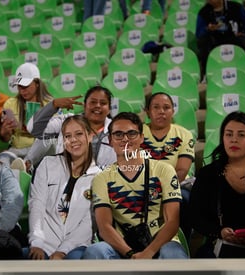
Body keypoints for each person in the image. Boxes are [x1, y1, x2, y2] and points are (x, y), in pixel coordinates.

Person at [82, 112, 187, 259]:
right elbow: (104, 227)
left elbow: (173, 222)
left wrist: (148, 253)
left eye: (131, 133)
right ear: (110, 140)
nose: (125, 139)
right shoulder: (102, 178)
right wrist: (130, 254)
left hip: (161, 243)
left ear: (142, 138)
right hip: (123, 248)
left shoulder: (164, 170)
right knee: (95, 251)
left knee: (172, 252)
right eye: (118, 134)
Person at [25, 115, 101, 260]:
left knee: (73, 260)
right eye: (67, 136)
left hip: (77, 245)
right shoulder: (48, 164)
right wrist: (37, 242)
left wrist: (63, 251)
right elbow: (37, 205)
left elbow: (89, 222)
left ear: (90, 136)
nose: (73, 140)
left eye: (79, 134)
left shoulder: (98, 176)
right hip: (44, 244)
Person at [189, 111, 245, 258]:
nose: (234, 140)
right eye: (229, 134)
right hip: (221, 247)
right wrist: (219, 231)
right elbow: (195, 216)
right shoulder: (208, 174)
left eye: (241, 135)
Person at [140, 92, 195, 240]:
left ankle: (182, 242)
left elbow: (182, 170)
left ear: (173, 111)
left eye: (166, 107)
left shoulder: (184, 134)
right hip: (142, 185)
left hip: (176, 185)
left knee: (184, 198)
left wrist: (161, 190)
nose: (161, 111)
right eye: (156, 107)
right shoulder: (137, 133)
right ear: (148, 112)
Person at [23, 85, 116, 172]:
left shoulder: (117, 130)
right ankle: (27, 164)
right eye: (93, 102)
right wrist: (53, 105)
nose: (98, 106)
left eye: (103, 103)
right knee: (45, 139)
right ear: (84, 105)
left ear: (109, 109)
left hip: (101, 182)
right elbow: (33, 128)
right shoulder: (66, 121)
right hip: (63, 180)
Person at [0, 63, 53, 167]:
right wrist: (4, 133)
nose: (22, 90)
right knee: (1, 160)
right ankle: (24, 166)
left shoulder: (50, 104)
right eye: (19, 86)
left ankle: (27, 163)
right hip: (17, 150)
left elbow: (52, 136)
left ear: (37, 83)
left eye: (25, 86)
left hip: (42, 151)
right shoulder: (10, 104)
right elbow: (6, 139)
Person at [196, 0, 245, 78]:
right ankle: (206, 73)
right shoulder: (203, 12)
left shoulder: (236, 7)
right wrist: (208, 29)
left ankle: (244, 71)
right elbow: (199, 33)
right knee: (203, 41)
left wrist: (243, 32)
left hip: (234, 38)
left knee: (242, 40)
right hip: (214, 40)